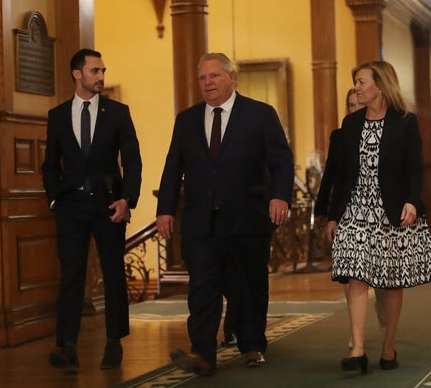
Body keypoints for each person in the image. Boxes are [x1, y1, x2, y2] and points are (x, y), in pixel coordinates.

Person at [156, 52, 294, 376]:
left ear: (232, 78)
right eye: (202, 78)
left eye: (214, 76)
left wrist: (280, 196)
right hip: (201, 222)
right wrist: (165, 210)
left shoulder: (260, 114)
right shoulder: (187, 120)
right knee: (202, 288)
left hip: (247, 218)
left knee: (248, 285)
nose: (208, 84)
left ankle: (252, 345)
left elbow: (281, 161)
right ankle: (203, 353)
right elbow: (172, 168)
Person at [325, 60, 431, 373]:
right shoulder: (350, 124)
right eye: (357, 82)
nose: (358, 88)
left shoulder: (405, 122)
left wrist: (412, 202)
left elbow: (414, 168)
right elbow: (341, 175)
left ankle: (388, 347)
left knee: (390, 283)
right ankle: (357, 348)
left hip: (390, 211)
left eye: (362, 81)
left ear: (381, 84)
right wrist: (333, 215)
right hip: (355, 210)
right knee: (355, 275)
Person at [42, 48, 142, 374]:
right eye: (94, 71)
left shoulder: (118, 112)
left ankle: (114, 342)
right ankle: (67, 347)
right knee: (71, 276)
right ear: (77, 73)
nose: (100, 76)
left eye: (102, 71)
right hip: (70, 206)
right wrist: (55, 199)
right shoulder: (57, 115)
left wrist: (127, 200)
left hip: (109, 205)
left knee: (113, 273)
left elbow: (133, 161)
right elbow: (49, 165)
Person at [315, 88, 389, 344]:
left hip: (379, 212)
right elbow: (330, 177)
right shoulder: (341, 135)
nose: (355, 109)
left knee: (380, 276)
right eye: (350, 105)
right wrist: (322, 211)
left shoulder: (384, 130)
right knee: (353, 273)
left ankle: (384, 324)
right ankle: (356, 335)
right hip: (348, 212)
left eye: (358, 104)